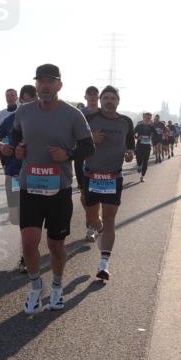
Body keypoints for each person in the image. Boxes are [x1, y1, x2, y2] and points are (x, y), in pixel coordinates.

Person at [2, 64, 94, 313]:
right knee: (29, 241)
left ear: (59, 85)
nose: (44, 85)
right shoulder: (24, 112)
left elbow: (88, 147)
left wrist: (68, 154)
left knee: (55, 245)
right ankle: (35, 286)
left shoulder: (73, 115)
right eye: (40, 81)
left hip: (59, 189)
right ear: (36, 85)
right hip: (30, 186)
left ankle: (56, 285)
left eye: (49, 81)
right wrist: (18, 148)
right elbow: (14, 136)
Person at [81, 86, 134, 281]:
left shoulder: (126, 122)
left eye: (113, 98)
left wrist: (130, 154)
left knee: (110, 218)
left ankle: (104, 263)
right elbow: (75, 144)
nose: (109, 101)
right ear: (100, 100)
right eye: (106, 98)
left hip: (113, 177)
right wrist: (90, 139)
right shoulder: (89, 120)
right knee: (92, 219)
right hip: (92, 176)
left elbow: (130, 146)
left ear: (118, 101)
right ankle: (100, 230)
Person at [0, 85, 37, 272]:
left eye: (32, 101)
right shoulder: (11, 119)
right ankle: (29, 250)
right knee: (16, 217)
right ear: (20, 101)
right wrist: (1, 147)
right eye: (25, 101)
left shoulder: (45, 120)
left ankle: (26, 256)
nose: (28, 104)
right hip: (14, 174)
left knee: (32, 217)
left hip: (38, 175)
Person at [74, 86, 105, 243]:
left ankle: (91, 229)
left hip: (99, 162)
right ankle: (96, 220)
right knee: (84, 198)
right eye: (90, 94)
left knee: (94, 197)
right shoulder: (80, 115)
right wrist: (90, 137)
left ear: (98, 97)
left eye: (95, 94)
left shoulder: (104, 114)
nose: (92, 97)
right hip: (82, 161)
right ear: (85, 97)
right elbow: (72, 137)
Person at [133, 112, 154, 182]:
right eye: (146, 118)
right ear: (143, 118)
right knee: (139, 158)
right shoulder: (139, 125)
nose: (148, 119)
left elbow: (156, 133)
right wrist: (137, 137)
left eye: (149, 118)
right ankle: (139, 165)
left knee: (145, 162)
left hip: (147, 146)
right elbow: (133, 133)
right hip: (139, 145)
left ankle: (142, 176)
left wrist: (153, 127)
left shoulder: (151, 126)